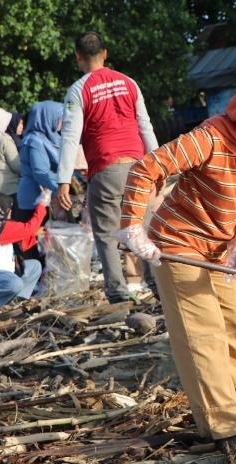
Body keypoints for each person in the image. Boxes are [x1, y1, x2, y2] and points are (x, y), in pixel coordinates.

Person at [117, 79, 236, 462]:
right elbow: (146, 168)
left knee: (232, 327)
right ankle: (223, 428)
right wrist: (132, 226)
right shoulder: (210, 139)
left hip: (220, 249)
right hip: (178, 244)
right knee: (202, 335)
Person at [56, 31, 158, 304]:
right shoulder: (129, 83)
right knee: (143, 228)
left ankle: (117, 291)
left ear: (78, 56)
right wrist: (159, 166)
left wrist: (63, 180)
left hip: (106, 168)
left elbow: (70, 137)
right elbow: (145, 126)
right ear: (105, 53)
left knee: (106, 235)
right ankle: (159, 285)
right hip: (138, 167)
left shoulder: (78, 90)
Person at [0, 189, 50, 309]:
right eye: (8, 209)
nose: (10, 211)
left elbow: (22, 238)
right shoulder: (0, 227)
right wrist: (42, 205)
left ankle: (17, 300)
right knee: (14, 284)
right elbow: (29, 228)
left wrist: (34, 234)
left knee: (34, 266)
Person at [15, 100, 63, 260]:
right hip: (33, 200)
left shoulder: (50, 138)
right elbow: (40, 172)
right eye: (60, 118)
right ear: (47, 118)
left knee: (45, 243)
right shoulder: (34, 141)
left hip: (45, 197)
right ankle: (34, 273)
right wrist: (61, 188)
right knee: (34, 245)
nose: (63, 122)